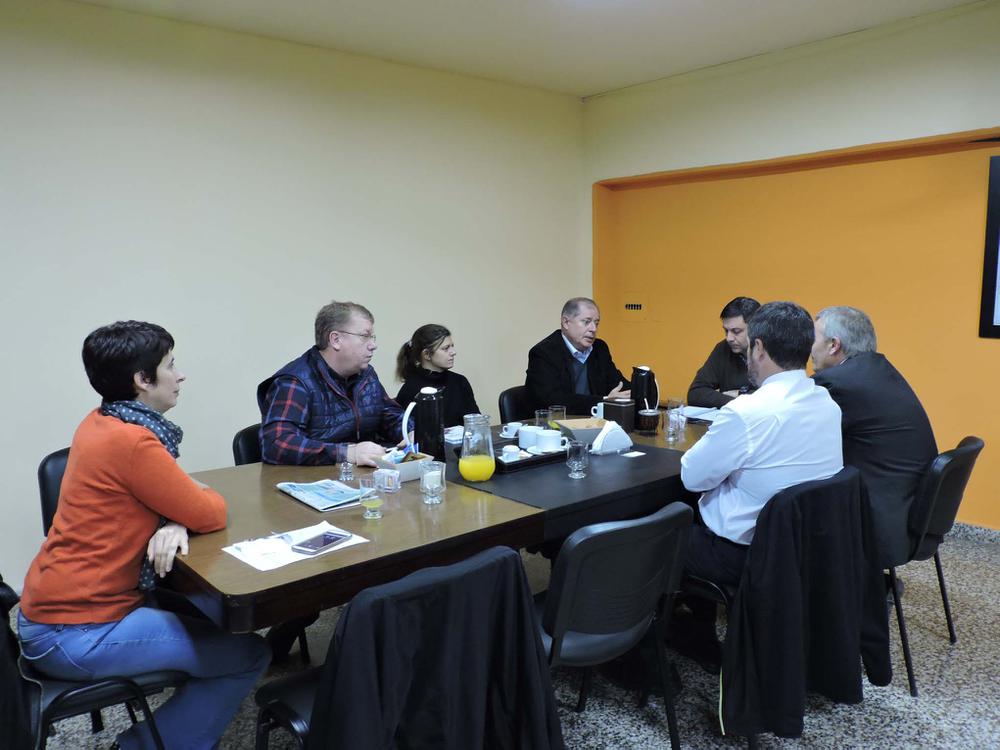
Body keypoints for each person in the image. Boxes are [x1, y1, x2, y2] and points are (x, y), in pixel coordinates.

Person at [17, 321, 270, 750]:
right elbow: (211, 509)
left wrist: (174, 518)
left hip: (48, 613)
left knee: (213, 619)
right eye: (170, 365)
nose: (180, 375)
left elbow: (175, 495)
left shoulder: (101, 420)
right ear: (142, 379)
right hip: (76, 632)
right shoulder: (134, 442)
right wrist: (182, 513)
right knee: (250, 655)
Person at [676, 302, 842, 668]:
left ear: (760, 348)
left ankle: (679, 636)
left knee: (657, 533)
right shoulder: (827, 404)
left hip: (743, 553)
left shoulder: (747, 412)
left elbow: (691, 477)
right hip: (802, 546)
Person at [811, 306, 938, 569]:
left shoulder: (837, 382)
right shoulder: (879, 369)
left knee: (783, 504)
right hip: (909, 511)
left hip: (878, 521)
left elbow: (798, 434)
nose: (808, 348)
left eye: (813, 338)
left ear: (834, 345)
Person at [258, 300, 406, 468]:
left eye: (372, 337)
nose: (373, 345)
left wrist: (411, 432)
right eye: (365, 336)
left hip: (362, 477)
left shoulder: (366, 375)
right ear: (335, 340)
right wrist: (346, 453)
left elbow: (390, 416)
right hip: (313, 478)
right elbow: (277, 444)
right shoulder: (295, 382)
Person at [525, 297, 629, 413]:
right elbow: (553, 401)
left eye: (596, 323)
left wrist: (639, 389)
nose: (593, 329)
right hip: (557, 422)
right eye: (586, 322)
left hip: (594, 421)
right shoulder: (544, 353)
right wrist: (604, 401)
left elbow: (618, 384)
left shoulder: (599, 348)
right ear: (566, 322)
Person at [395, 324, 480, 427]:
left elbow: (476, 422)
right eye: (446, 348)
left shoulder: (460, 381)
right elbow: (406, 429)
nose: (453, 352)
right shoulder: (410, 389)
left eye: (452, 346)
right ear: (427, 354)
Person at [687, 296, 760, 407]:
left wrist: (739, 394)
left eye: (736, 331)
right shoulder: (723, 348)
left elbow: (774, 399)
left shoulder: (774, 352)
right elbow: (695, 394)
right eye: (726, 331)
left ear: (755, 329)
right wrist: (739, 399)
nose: (729, 338)